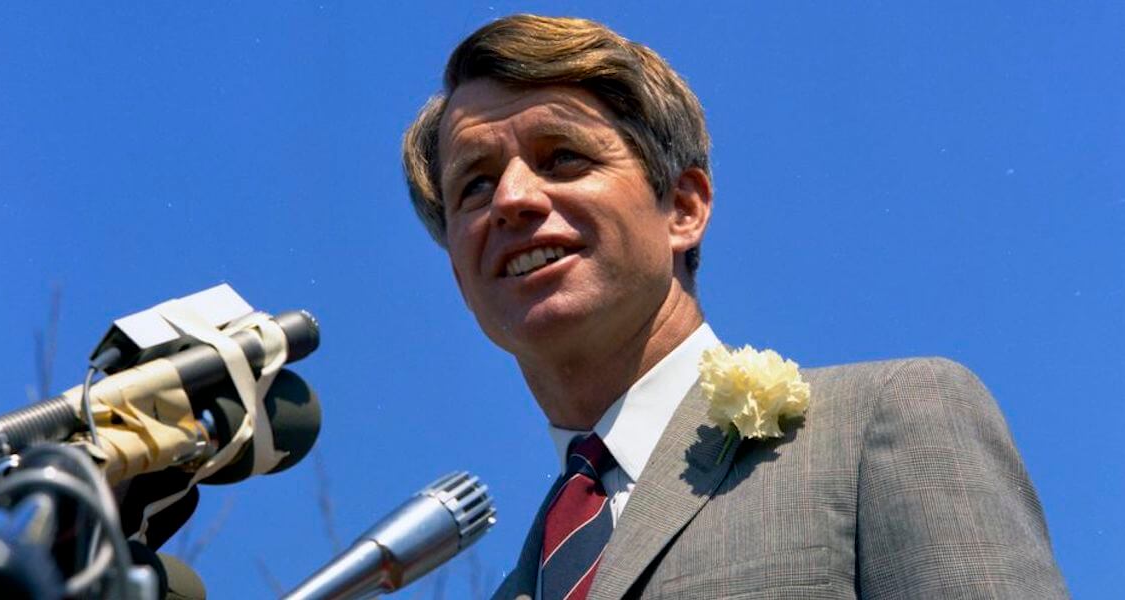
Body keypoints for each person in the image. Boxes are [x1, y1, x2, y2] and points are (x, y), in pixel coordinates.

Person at [402, 14, 1067, 600]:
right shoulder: (520, 582)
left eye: (563, 158)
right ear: (460, 273)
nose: (512, 198)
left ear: (683, 208)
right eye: (475, 185)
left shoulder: (880, 424)